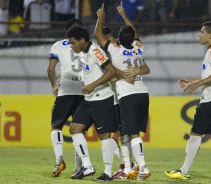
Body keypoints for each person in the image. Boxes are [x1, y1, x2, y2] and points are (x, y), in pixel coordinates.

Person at [164, 21, 211, 182]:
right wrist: (193, 81)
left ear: (210, 36)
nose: (199, 34)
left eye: (201, 32)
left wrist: (196, 84)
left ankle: (183, 171)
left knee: (195, 134)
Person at [94, 2, 151, 180]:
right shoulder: (138, 48)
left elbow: (97, 35)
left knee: (131, 133)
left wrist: (100, 16)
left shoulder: (115, 49)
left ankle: (143, 167)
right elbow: (135, 33)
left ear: (118, 38)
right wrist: (124, 15)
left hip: (127, 95)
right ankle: (127, 169)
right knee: (127, 132)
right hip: (142, 92)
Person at [66, 25, 118, 181]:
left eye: (73, 42)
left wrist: (92, 85)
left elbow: (111, 71)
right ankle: (87, 166)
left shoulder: (95, 51)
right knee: (75, 128)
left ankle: (108, 173)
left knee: (105, 137)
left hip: (102, 98)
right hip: (88, 99)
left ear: (82, 40)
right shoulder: (83, 53)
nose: (71, 46)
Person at [47, 18, 85, 177]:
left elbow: (50, 69)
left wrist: (55, 85)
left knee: (56, 126)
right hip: (84, 91)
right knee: (79, 131)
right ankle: (79, 167)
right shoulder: (86, 45)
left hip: (66, 90)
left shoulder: (57, 45)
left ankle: (59, 160)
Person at [101, 26, 136, 180]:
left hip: (116, 96)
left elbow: (113, 75)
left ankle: (126, 166)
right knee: (117, 133)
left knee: (119, 133)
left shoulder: (112, 50)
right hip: (115, 95)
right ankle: (127, 164)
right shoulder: (116, 49)